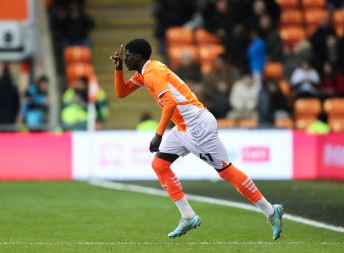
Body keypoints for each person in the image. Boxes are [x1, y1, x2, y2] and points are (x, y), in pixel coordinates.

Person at [110, 38, 284, 240]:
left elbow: (170, 103)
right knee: (159, 165)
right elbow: (121, 93)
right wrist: (117, 70)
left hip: (198, 126)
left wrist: (158, 134)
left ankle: (271, 211)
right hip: (183, 128)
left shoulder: (152, 72)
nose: (125, 59)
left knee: (226, 171)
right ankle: (188, 215)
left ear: (138, 57)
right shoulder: (144, 73)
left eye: (127, 56)